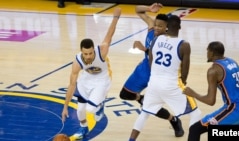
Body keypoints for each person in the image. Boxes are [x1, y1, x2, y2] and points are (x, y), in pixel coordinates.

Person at [128, 15, 202, 141]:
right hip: (172, 85)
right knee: (196, 113)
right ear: (179, 27)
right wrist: (182, 82)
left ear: (167, 27)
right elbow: (185, 69)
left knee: (145, 113)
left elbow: (151, 61)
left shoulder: (156, 39)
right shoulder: (184, 45)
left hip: (154, 83)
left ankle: (131, 140)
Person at [120, 3, 186, 137]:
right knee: (125, 94)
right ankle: (142, 99)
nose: (156, 27)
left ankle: (173, 120)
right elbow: (137, 10)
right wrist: (148, 9)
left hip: (158, 74)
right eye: (155, 24)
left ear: (166, 28)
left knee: (148, 109)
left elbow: (159, 57)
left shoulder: (167, 39)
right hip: (145, 68)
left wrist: (143, 48)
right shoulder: (152, 28)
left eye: (159, 26)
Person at [61, 8, 121, 140]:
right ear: (81, 52)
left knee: (91, 110)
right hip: (86, 80)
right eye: (85, 54)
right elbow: (71, 85)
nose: (88, 56)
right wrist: (65, 107)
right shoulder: (77, 62)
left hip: (102, 80)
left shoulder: (102, 51)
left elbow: (109, 34)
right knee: (80, 110)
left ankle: (100, 105)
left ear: (94, 50)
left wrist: (115, 18)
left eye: (90, 53)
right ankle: (83, 128)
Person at [183, 41, 239, 141]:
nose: (207, 53)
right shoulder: (232, 61)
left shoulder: (213, 70)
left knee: (195, 129)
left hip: (234, 108)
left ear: (212, 53)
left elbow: (211, 101)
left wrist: (193, 94)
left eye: (207, 51)